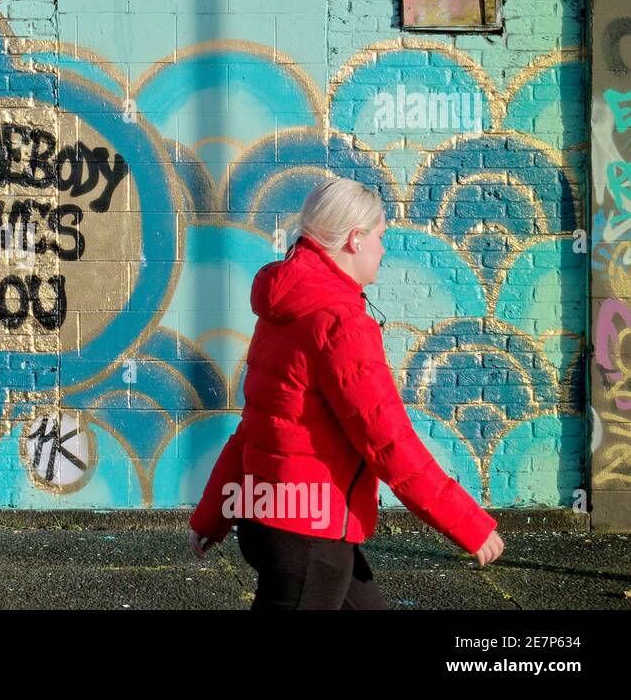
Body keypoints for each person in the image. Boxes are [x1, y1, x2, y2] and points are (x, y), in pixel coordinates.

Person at [187, 177, 504, 609]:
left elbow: (257, 426)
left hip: (271, 521)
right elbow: (388, 442)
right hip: (308, 537)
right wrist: (469, 524)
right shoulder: (340, 324)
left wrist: (214, 515)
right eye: (380, 236)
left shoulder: (285, 310)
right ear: (355, 240)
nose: (383, 249)